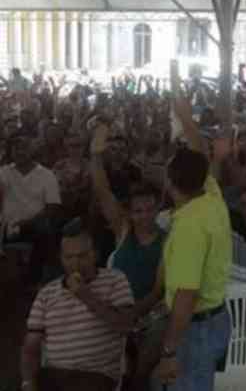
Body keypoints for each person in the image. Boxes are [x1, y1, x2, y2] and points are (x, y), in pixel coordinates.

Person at [152, 96, 231, 391]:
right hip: (215, 320)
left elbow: (187, 294)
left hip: (195, 329)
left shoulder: (188, 226)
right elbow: (199, 151)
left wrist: (170, 352)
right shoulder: (211, 197)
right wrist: (186, 119)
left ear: (170, 182)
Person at [90, 123, 167, 391]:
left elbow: (158, 291)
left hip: (148, 313)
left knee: (157, 336)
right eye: (137, 210)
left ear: (158, 209)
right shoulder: (123, 229)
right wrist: (96, 154)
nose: (143, 216)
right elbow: (102, 190)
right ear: (130, 212)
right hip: (114, 307)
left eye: (149, 209)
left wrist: (133, 314)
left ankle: (136, 382)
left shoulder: (168, 242)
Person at [20, 223, 135, 391]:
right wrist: (27, 382)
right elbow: (31, 346)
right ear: (61, 258)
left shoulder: (115, 280)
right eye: (69, 257)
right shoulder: (47, 292)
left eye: (82, 256)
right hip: (53, 374)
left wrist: (86, 296)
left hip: (95, 375)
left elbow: (125, 325)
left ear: (95, 254)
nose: (76, 263)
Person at [0, 134, 62, 285]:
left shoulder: (47, 175)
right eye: (15, 149)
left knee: (44, 229)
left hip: (33, 225)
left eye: (24, 148)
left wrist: (26, 223)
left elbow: (52, 207)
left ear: (32, 150)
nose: (20, 152)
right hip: (5, 226)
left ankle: (33, 280)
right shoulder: (3, 172)